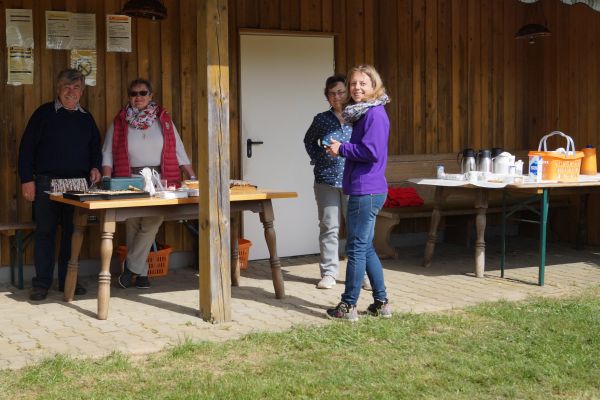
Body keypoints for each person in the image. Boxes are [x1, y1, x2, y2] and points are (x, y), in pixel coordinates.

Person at [102, 78, 196, 289]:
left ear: (151, 95)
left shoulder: (163, 120)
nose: (138, 97)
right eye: (133, 93)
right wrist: (106, 179)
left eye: (143, 93)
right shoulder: (119, 121)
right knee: (133, 224)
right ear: (129, 97)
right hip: (129, 178)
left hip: (159, 179)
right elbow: (107, 152)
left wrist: (192, 177)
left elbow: (178, 149)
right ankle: (142, 274)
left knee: (152, 221)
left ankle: (130, 270)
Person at [18, 68, 102, 301]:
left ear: (82, 92)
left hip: (78, 185)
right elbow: (26, 149)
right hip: (46, 183)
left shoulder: (86, 118)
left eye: (76, 87)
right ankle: (41, 284)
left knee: (72, 233)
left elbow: (95, 149)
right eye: (66, 87)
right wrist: (27, 180)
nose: (71, 91)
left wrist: (95, 167)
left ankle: (68, 281)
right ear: (58, 89)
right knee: (45, 232)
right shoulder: (43, 114)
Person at [325, 65, 392, 321]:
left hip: (366, 191)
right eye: (353, 83)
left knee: (355, 249)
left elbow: (371, 152)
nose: (357, 88)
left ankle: (348, 306)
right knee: (366, 248)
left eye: (363, 83)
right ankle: (381, 303)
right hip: (366, 189)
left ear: (374, 85)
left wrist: (342, 149)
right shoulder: (364, 112)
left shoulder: (374, 114)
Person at [304, 75, 372, 290]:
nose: (337, 97)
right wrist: (319, 158)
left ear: (348, 93)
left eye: (341, 92)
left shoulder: (360, 116)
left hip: (354, 180)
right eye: (332, 93)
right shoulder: (321, 119)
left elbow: (368, 146)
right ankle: (329, 273)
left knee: (357, 230)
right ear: (327, 97)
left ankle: (362, 275)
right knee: (329, 227)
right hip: (326, 180)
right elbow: (308, 140)